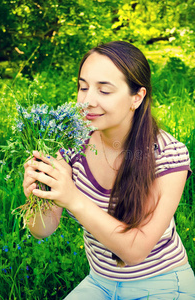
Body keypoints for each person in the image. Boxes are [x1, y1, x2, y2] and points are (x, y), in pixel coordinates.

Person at [23, 41, 195, 299]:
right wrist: (37, 197)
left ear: (137, 97)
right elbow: (42, 230)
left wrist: (73, 198)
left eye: (104, 91)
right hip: (100, 282)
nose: (87, 101)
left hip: (163, 283)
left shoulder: (168, 153)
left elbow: (136, 251)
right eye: (83, 87)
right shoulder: (71, 145)